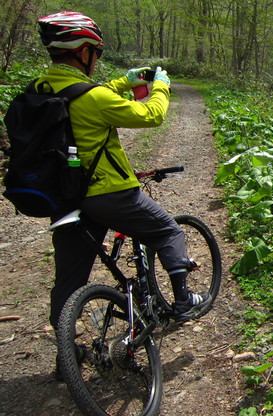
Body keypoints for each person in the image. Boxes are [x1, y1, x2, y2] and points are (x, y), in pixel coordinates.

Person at [35, 11, 209, 352]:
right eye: (96, 53)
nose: (97, 60)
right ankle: (184, 302)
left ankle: (66, 355)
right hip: (107, 194)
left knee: (68, 281)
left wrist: (124, 81)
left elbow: (84, 94)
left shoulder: (40, 89)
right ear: (84, 52)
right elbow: (151, 115)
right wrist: (160, 87)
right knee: (168, 231)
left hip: (62, 197)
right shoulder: (93, 99)